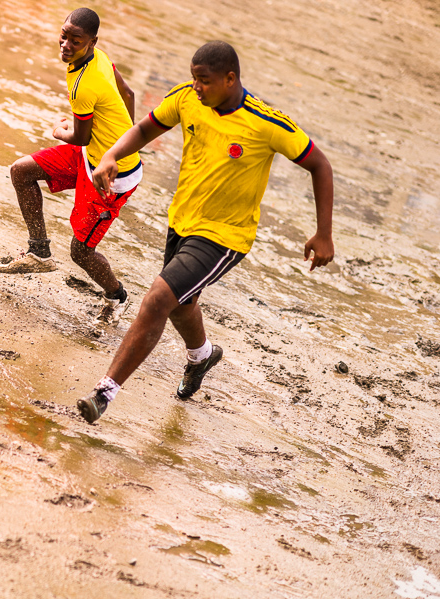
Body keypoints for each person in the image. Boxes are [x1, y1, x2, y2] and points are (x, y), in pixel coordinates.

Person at [77, 40, 335, 423]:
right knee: (181, 304)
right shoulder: (186, 98)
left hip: (225, 237)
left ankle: (104, 393)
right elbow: (146, 129)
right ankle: (202, 355)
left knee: (156, 300)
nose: (197, 86)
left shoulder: (267, 123)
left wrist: (324, 233)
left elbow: (320, 164)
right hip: (182, 222)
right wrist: (113, 154)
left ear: (230, 79)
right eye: (194, 78)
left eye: (205, 80)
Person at [0, 7, 143, 325]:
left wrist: (58, 131)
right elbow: (128, 93)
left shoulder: (83, 84)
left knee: (80, 251)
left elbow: (78, 136)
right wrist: (124, 139)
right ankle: (39, 252)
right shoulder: (100, 57)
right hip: (90, 156)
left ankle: (116, 297)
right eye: (63, 35)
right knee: (21, 171)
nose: (65, 45)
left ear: (92, 41)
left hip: (111, 176)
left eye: (75, 40)